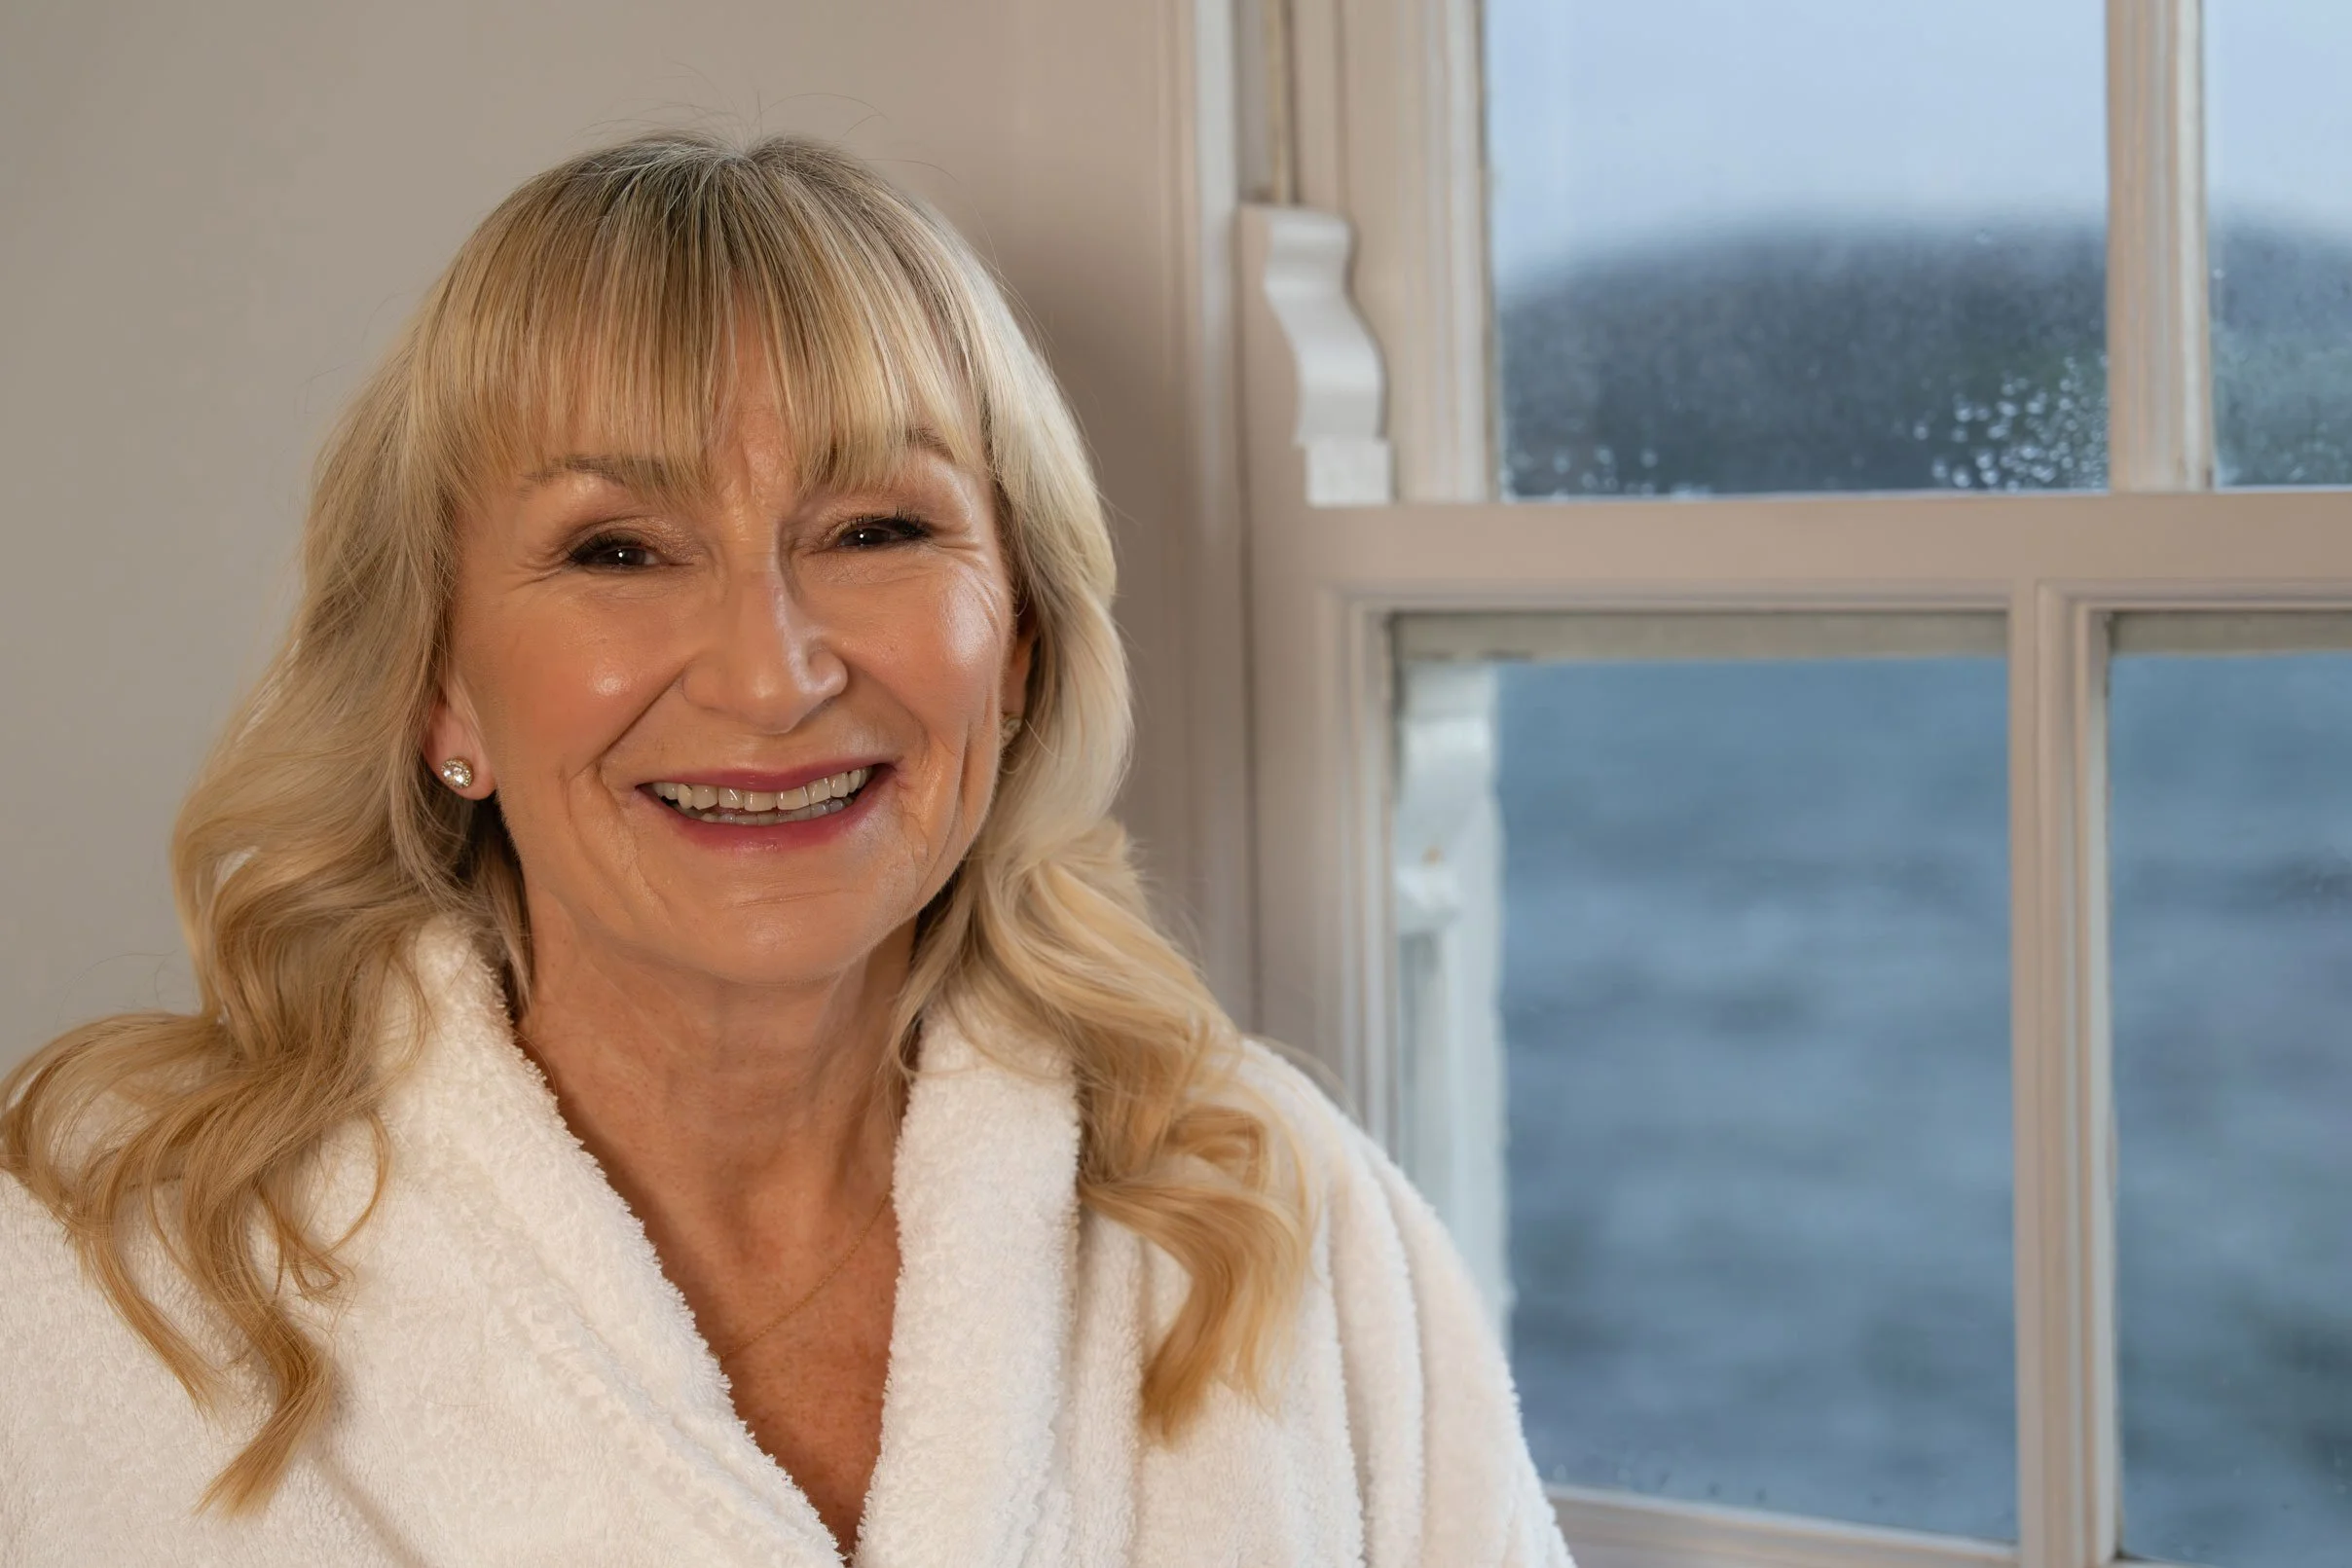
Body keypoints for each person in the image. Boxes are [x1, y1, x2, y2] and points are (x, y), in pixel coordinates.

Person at [0, 132, 1569, 1566]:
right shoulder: (102, 1272)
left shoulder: (1274, 1217)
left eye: (877, 530)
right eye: (618, 547)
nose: (774, 673)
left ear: (1014, 644)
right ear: (436, 688)